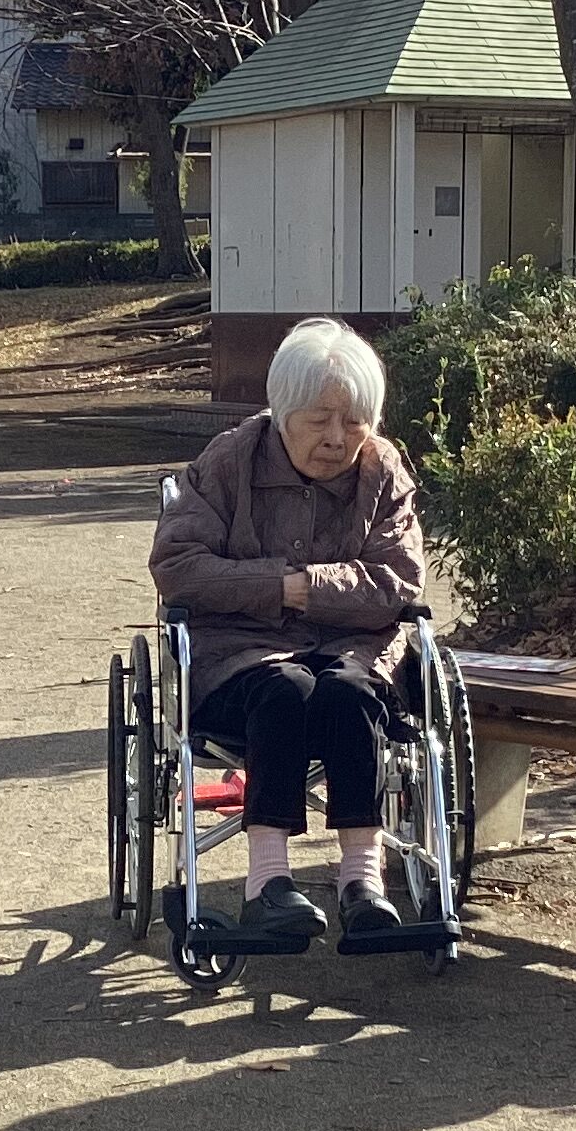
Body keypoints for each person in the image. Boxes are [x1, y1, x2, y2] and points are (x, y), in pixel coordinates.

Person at [149, 319, 425, 946]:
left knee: (351, 694)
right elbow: (178, 566)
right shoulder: (228, 463)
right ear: (281, 412)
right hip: (237, 658)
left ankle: (363, 883)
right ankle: (268, 884)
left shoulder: (383, 472)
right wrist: (281, 586)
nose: (337, 438)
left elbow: (400, 581)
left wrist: (311, 587)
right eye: (319, 419)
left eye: (354, 421)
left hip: (353, 651)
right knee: (284, 689)